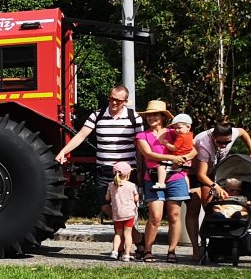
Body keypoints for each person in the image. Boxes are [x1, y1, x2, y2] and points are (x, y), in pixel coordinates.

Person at [56, 86, 144, 238]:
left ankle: (125, 246)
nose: (113, 102)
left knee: (126, 208)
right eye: (111, 98)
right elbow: (81, 135)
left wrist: (142, 169)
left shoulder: (133, 117)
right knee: (106, 207)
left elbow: (141, 145)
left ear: (125, 101)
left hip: (126, 173)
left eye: (117, 100)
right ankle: (137, 238)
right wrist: (63, 151)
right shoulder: (97, 115)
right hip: (104, 170)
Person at [186, 121, 251, 259]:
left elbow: (242, 131)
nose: (224, 145)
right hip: (195, 172)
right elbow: (201, 175)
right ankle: (197, 248)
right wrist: (215, 186)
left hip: (215, 171)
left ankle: (222, 245)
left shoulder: (230, 133)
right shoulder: (203, 143)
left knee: (219, 207)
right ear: (213, 137)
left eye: (227, 142)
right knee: (196, 208)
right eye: (220, 143)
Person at [134, 100, 192, 262]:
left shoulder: (174, 132)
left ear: (162, 117)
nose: (152, 118)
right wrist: (172, 157)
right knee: (155, 216)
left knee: (174, 215)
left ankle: (172, 251)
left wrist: (184, 158)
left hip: (176, 176)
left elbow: (192, 149)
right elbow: (149, 155)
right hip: (152, 177)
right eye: (149, 115)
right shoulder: (142, 135)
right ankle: (147, 250)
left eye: (155, 115)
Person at [105, 161, 139, 261]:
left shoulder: (111, 185)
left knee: (118, 233)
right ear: (128, 174)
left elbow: (107, 198)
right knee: (128, 234)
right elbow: (136, 199)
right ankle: (127, 254)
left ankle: (114, 252)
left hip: (117, 213)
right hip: (129, 213)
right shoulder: (131, 185)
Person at [153, 114, 196, 190]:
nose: (176, 130)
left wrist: (165, 143)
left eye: (179, 128)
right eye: (175, 128)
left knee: (161, 166)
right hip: (188, 161)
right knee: (183, 174)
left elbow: (174, 148)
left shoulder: (181, 137)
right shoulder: (190, 135)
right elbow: (193, 144)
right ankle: (188, 189)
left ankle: (161, 183)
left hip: (177, 159)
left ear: (188, 127)